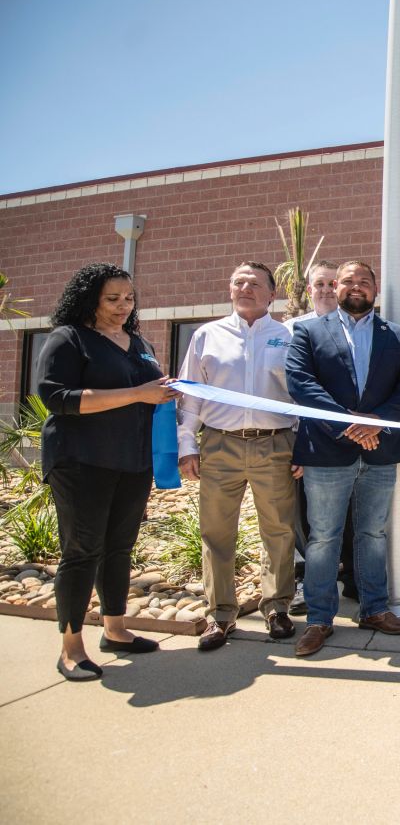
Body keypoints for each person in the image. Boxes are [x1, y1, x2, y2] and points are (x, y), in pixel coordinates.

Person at [36, 264, 176, 680]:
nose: (122, 307)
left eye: (128, 298)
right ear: (90, 299)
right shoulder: (69, 339)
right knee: (81, 552)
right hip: (82, 462)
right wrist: (138, 393)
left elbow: (148, 393)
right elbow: (56, 397)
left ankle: (115, 629)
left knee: (119, 548)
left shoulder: (138, 342)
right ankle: (70, 648)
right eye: (112, 299)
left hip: (132, 462)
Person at [286, 260, 400, 656]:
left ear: (375, 289)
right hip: (326, 451)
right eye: (348, 281)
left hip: (380, 450)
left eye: (364, 281)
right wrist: (348, 424)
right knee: (323, 537)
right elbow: (300, 383)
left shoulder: (397, 336)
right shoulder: (308, 331)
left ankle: (374, 609)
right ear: (334, 287)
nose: (356, 286)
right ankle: (319, 619)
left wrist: (377, 422)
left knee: (372, 534)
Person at [178, 262, 300, 651]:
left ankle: (277, 607)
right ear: (230, 289)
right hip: (220, 445)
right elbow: (191, 394)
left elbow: (301, 396)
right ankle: (221, 614)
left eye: (255, 283)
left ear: (271, 293)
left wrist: (303, 447)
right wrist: (187, 445)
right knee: (216, 532)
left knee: (279, 531)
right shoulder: (206, 335)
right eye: (239, 282)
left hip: (275, 445)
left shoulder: (288, 337)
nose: (246, 288)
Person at [283, 260, 357, 612]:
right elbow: (290, 390)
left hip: (354, 437)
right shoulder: (289, 331)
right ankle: (306, 583)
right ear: (308, 290)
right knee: (306, 519)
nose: (327, 290)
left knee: (353, 514)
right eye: (320, 284)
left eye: (333, 283)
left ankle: (355, 579)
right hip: (307, 440)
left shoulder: (355, 329)